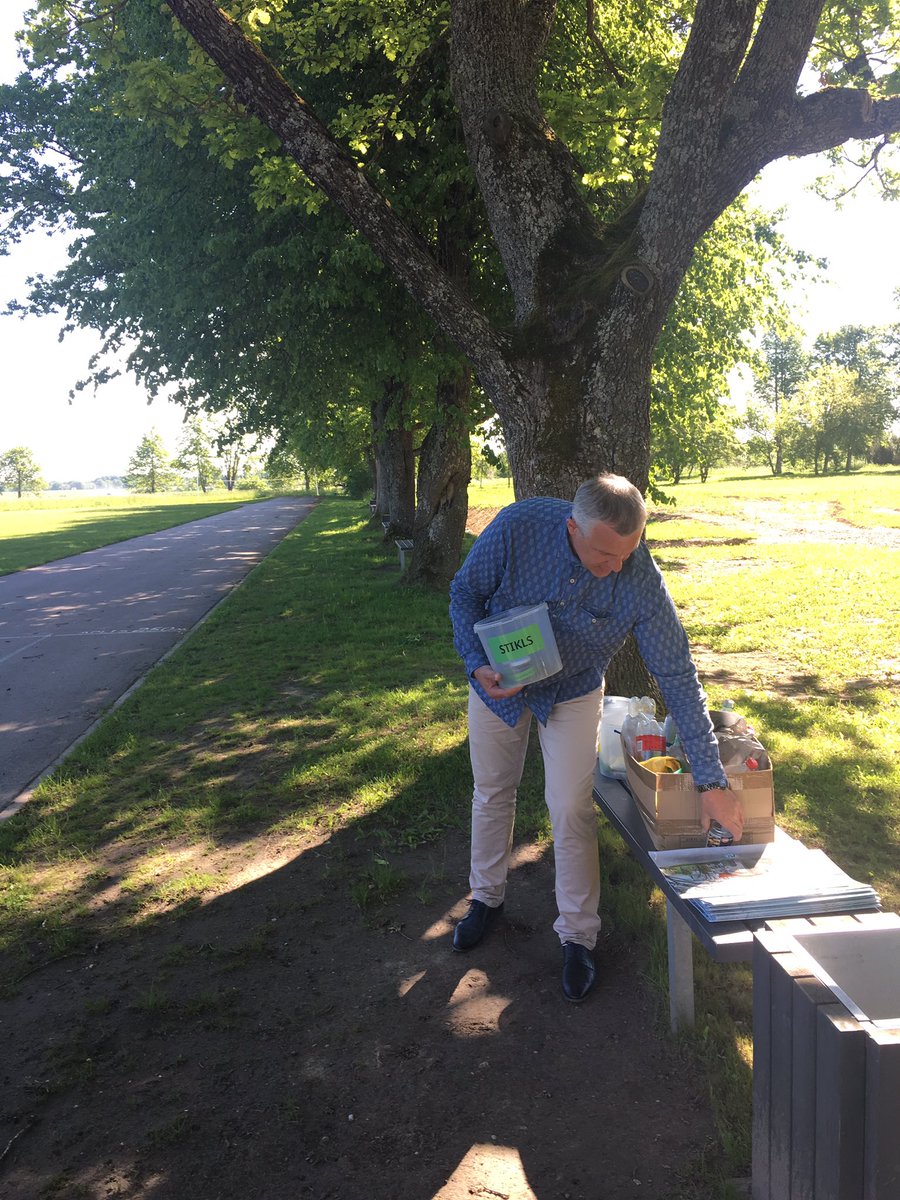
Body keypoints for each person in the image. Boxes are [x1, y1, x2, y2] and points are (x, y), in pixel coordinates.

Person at [448, 474, 743, 1003]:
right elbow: (465, 593)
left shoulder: (638, 577)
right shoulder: (519, 526)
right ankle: (485, 899)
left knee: (570, 808)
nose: (617, 568)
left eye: (628, 554)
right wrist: (475, 665)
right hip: (502, 680)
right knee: (492, 791)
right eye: (605, 555)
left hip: (575, 690)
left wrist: (711, 779)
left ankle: (578, 936)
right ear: (571, 528)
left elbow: (677, 675)